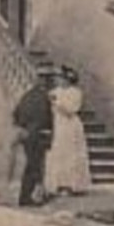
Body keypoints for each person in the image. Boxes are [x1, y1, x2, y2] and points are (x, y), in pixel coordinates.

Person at [44, 66, 93, 196]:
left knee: (70, 154)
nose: (59, 80)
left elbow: (72, 109)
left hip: (70, 126)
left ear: (67, 79)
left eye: (61, 78)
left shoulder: (75, 92)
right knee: (58, 154)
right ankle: (58, 184)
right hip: (58, 124)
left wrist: (57, 102)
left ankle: (72, 184)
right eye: (58, 78)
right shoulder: (55, 91)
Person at [11, 71, 56, 207]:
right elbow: (45, 118)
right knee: (35, 167)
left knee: (31, 166)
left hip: (26, 135)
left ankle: (26, 197)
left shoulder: (27, 95)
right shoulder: (43, 98)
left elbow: (16, 114)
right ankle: (30, 197)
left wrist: (23, 127)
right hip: (37, 135)